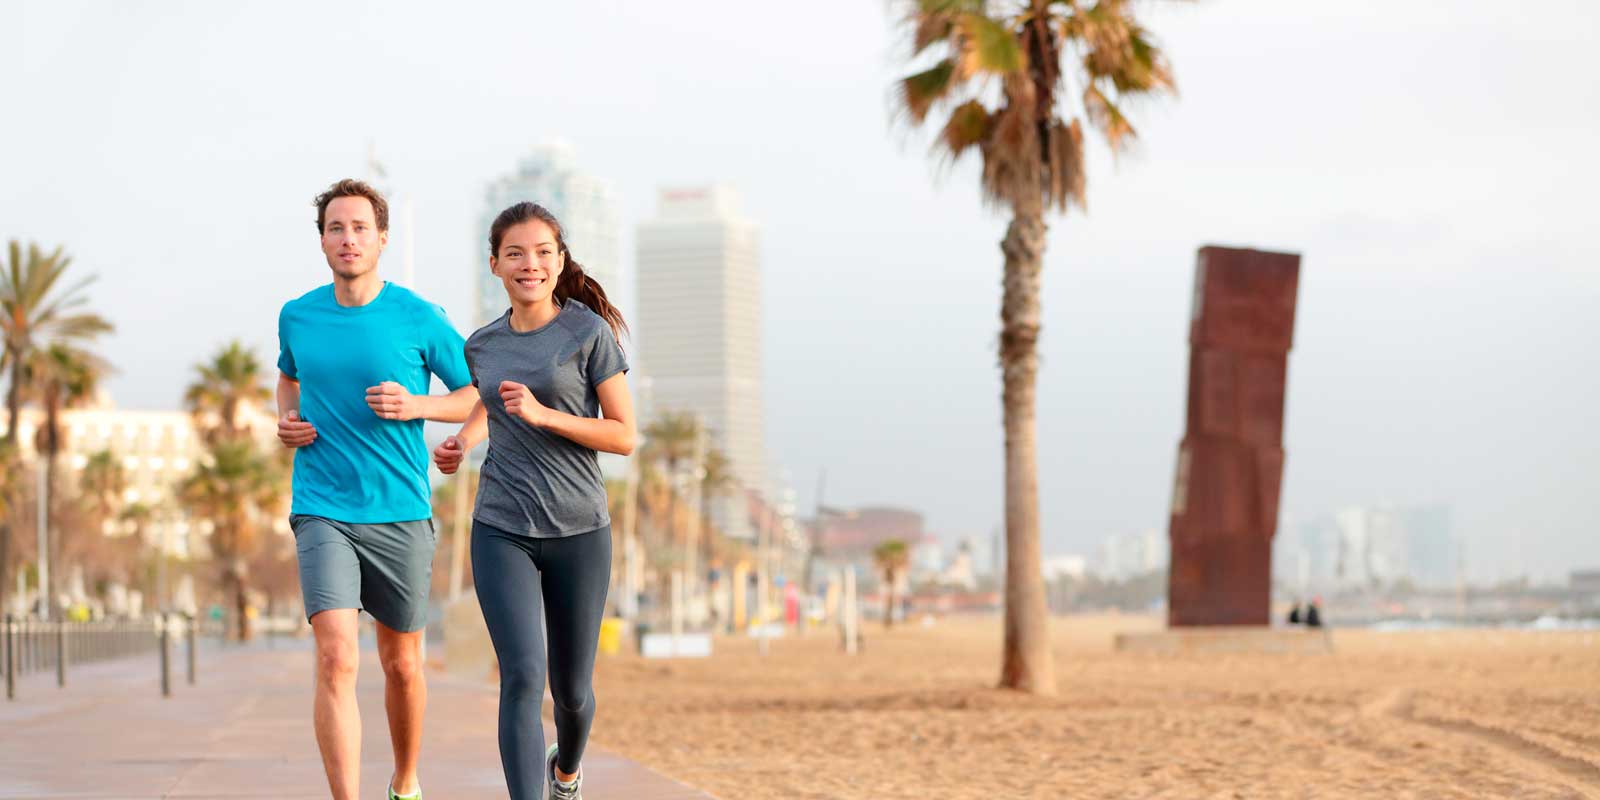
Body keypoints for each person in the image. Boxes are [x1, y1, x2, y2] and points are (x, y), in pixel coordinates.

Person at [277, 179, 477, 800]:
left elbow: (479, 393)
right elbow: (288, 378)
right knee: (337, 656)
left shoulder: (419, 316)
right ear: (322, 241)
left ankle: (406, 780)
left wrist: (425, 411)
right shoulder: (298, 315)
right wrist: (286, 420)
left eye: (360, 227)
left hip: (400, 510)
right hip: (321, 506)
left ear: (382, 239)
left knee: (402, 665)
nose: (348, 239)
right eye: (336, 228)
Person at [433, 201, 635, 800]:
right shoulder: (484, 345)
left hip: (579, 530)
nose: (531, 264)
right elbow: (489, 402)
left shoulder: (587, 333)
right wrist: (464, 440)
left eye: (544, 252)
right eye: (515, 254)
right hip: (501, 528)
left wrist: (546, 415)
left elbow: (624, 435)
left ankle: (566, 772)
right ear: (494, 264)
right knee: (521, 676)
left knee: (572, 692)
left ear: (560, 260)